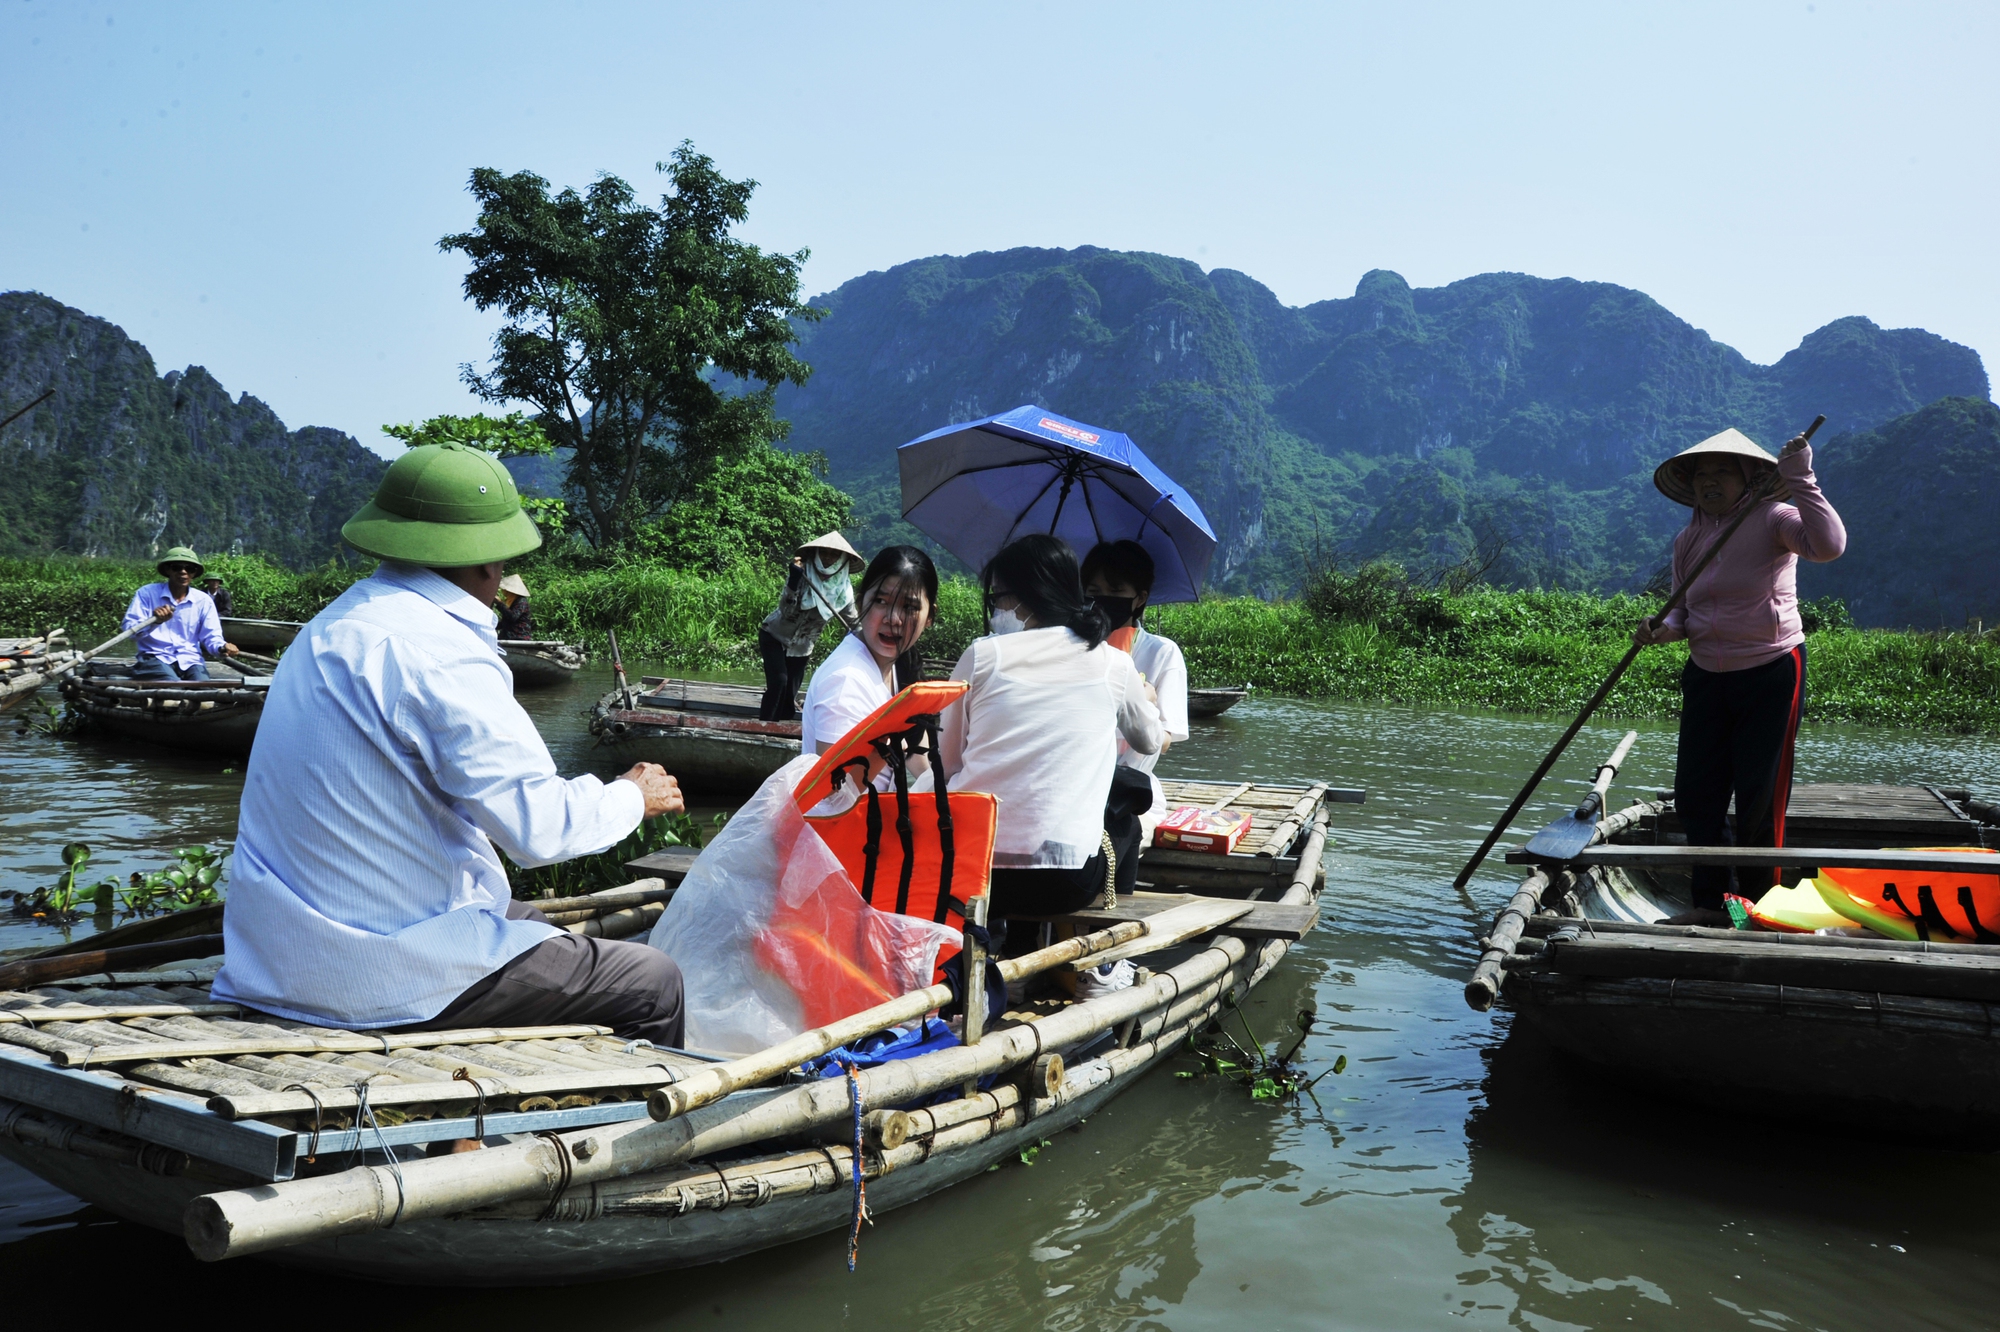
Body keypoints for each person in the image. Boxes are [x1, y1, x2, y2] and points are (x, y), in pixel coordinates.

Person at [212, 440, 689, 1057]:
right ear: (491, 562)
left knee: (532, 924)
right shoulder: (443, 650)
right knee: (654, 982)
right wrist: (630, 793)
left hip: (275, 957)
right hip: (373, 974)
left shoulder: (327, 627)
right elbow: (539, 833)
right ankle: (637, 1142)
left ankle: (473, 1123)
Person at [1635, 426, 1846, 926]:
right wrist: (1659, 630)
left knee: (1758, 798)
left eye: (1722, 471)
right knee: (1695, 796)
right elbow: (1682, 615)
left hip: (1771, 669)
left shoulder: (1773, 518)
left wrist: (1801, 477)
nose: (1710, 481)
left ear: (1750, 478)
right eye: (1702, 473)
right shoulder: (1688, 539)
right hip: (1707, 674)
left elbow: (1829, 544)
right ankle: (1711, 905)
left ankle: (1759, 909)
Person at [931, 535, 1163, 927]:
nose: (996, 610)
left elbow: (949, 763)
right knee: (1129, 815)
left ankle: (1004, 949)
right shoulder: (1114, 664)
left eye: (999, 598)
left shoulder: (981, 655)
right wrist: (1147, 698)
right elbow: (1150, 741)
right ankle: (1108, 964)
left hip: (971, 873)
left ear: (1025, 597)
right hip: (1065, 881)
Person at [800, 545, 938, 759]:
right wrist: (889, 748)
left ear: (930, 616)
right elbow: (833, 790)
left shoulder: (899, 666)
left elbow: (922, 766)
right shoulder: (845, 682)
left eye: (909, 607)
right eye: (880, 602)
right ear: (860, 600)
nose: (893, 619)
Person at [759, 532, 865, 722]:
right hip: (774, 635)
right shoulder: (801, 573)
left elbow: (854, 624)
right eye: (824, 552)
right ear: (816, 554)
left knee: (790, 692)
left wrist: (869, 641)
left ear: (842, 560)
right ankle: (764, 726)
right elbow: (786, 610)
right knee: (779, 682)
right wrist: (793, 580)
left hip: (802, 647)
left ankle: (783, 731)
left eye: (834, 555)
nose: (827, 558)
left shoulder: (844, 592)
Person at [122, 547, 239, 681]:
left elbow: (211, 637)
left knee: (204, 688)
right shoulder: (147, 593)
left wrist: (222, 647)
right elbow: (130, 630)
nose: (183, 572)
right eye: (176, 567)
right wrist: (155, 622)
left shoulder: (203, 600)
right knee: (172, 684)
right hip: (155, 656)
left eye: (189, 569)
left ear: (194, 573)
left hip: (190, 659)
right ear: (167, 570)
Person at [495, 573, 534, 640]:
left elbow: (513, 616)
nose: (503, 591)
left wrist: (500, 603)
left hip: (519, 637)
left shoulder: (521, 601)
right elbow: (506, 622)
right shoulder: (511, 601)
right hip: (508, 635)